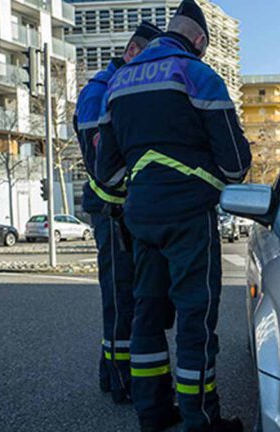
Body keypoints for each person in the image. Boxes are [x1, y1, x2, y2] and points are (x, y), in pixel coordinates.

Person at [95, 1, 251, 431]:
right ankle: (199, 419)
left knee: (146, 315)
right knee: (194, 320)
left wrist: (142, 185)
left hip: (140, 219)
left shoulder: (120, 81)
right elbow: (237, 163)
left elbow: (106, 170)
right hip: (189, 217)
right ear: (199, 40)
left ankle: (152, 413)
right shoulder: (197, 75)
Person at [73, 21, 162, 405]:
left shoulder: (114, 88)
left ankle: (112, 376)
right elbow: (102, 163)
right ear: (132, 52)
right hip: (111, 212)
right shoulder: (99, 92)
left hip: (119, 211)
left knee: (128, 296)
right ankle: (121, 380)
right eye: (148, 60)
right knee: (120, 298)